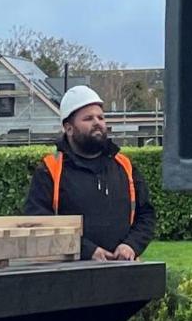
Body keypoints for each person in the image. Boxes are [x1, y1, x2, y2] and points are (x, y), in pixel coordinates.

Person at [25, 86, 155, 262]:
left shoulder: (125, 166)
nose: (97, 123)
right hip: (68, 274)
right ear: (69, 128)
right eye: (88, 118)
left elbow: (146, 214)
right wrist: (86, 250)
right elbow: (39, 223)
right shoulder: (50, 170)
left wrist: (131, 245)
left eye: (100, 117)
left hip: (121, 271)